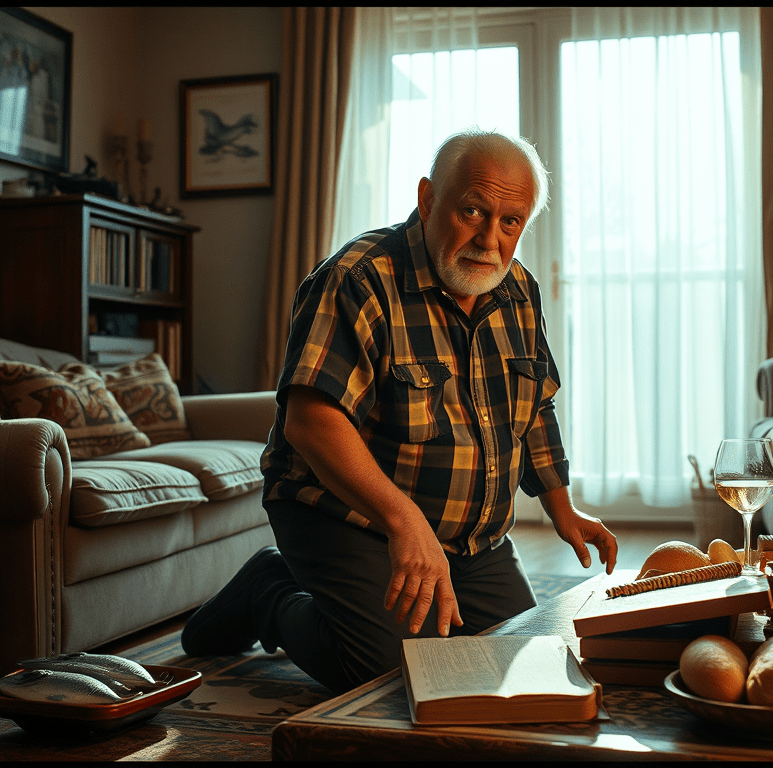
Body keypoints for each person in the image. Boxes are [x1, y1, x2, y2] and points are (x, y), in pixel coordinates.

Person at [181, 128, 618, 694]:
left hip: (470, 539)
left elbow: (532, 407)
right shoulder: (357, 278)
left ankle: (378, 582)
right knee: (392, 677)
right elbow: (311, 422)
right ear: (428, 199)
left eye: (510, 222)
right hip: (348, 517)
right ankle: (271, 591)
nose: (490, 238)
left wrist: (562, 506)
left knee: (518, 665)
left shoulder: (518, 289)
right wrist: (403, 521)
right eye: (472, 211)